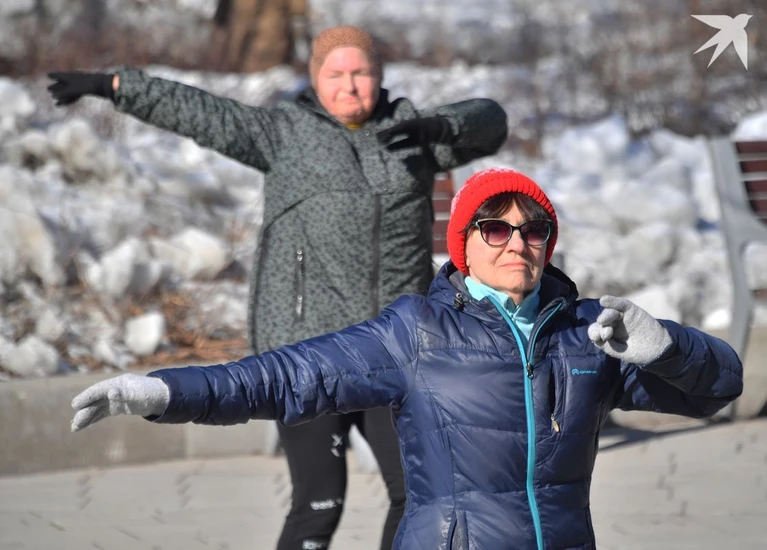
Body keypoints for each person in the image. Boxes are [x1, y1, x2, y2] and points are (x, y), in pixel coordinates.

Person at [70, 167, 743, 550]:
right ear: (464, 245)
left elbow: (718, 389)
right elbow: (285, 377)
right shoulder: (416, 331)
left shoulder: (588, 332)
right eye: (495, 228)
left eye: (534, 229)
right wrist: (165, 392)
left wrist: (669, 347)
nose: (517, 243)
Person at [47, 25, 508, 550]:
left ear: (379, 76)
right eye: (336, 73)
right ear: (315, 78)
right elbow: (203, 113)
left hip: (397, 350)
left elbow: (492, 120)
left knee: (419, 497)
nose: (349, 85)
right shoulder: (284, 132)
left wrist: (443, 125)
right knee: (319, 503)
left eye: (361, 72)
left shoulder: (414, 135)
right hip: (308, 352)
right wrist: (115, 86)